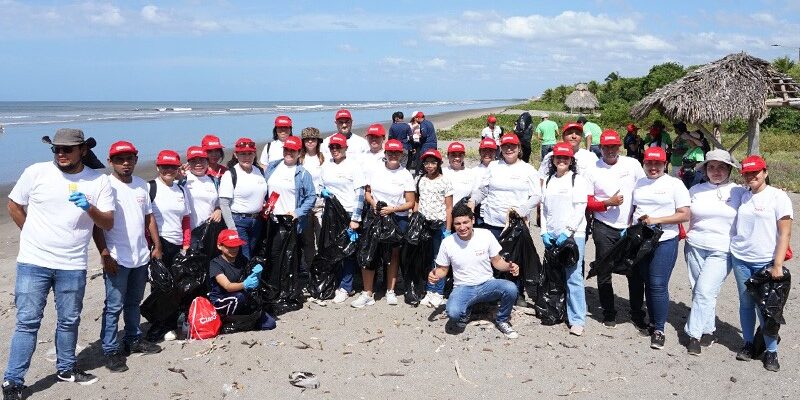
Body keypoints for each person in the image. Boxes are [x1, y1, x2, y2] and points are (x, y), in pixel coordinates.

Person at [4, 128, 114, 395]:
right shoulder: (36, 172)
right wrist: (31, 233)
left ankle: (66, 368)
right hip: (33, 261)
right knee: (28, 322)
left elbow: (107, 222)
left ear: (83, 151)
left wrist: (89, 207)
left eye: (67, 149)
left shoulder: (98, 181)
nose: (61, 154)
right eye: (56, 149)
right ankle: (13, 380)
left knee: (69, 319)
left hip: (73, 263)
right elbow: (14, 205)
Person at [92, 141, 162, 373]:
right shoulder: (105, 186)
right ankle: (110, 349)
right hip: (116, 257)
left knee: (133, 302)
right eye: (120, 159)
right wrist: (104, 254)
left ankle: (133, 338)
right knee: (113, 306)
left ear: (135, 160)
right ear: (110, 161)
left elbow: (149, 218)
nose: (125, 163)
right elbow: (97, 225)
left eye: (129, 159)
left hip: (140, 255)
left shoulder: (142, 185)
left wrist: (156, 246)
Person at [729, 155, 793, 371]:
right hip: (741, 258)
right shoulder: (743, 196)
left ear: (765, 172)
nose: (751, 176)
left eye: (755, 172)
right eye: (747, 173)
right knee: (746, 303)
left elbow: (784, 234)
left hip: (766, 261)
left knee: (767, 309)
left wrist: (777, 264)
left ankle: (771, 351)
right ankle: (748, 343)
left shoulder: (778, 196)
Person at [683, 149, 743, 356]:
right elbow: (683, 214)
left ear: (729, 169)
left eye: (721, 167)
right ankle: (709, 329)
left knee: (704, 290)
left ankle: (694, 335)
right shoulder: (695, 190)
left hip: (722, 248)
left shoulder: (738, 192)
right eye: (711, 167)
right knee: (700, 290)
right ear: (705, 169)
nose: (716, 171)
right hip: (694, 245)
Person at [429, 205, 521, 339]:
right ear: (453, 224)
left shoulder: (485, 235)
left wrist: (509, 266)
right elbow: (443, 270)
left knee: (511, 288)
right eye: (457, 224)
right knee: (453, 313)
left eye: (465, 222)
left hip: (487, 284)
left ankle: (502, 320)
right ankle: (466, 312)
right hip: (463, 287)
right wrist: (434, 275)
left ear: (472, 220)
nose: (462, 227)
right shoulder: (448, 243)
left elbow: (496, 262)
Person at [631, 146, 690, 350]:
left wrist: (657, 220)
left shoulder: (675, 184)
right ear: (644, 163)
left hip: (665, 238)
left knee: (658, 283)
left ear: (665, 164)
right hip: (641, 239)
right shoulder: (639, 182)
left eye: (658, 163)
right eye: (649, 163)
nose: (653, 167)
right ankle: (653, 320)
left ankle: (659, 329)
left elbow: (684, 214)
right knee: (647, 280)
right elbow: (633, 208)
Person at [472, 134, 541, 304]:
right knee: (493, 257)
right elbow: (483, 190)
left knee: (514, 259)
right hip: (491, 221)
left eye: (512, 146)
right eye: (505, 146)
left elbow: (537, 195)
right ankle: (493, 292)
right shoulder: (494, 166)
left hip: (515, 223)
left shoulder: (528, 169)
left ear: (519, 149)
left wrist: (522, 209)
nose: (509, 149)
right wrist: (472, 202)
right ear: (500, 149)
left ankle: (517, 292)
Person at [588, 130, 646, 328]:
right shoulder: (593, 168)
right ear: (601, 148)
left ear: (619, 146)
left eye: (614, 146)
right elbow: (587, 201)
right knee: (604, 270)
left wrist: (636, 218)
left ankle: (637, 313)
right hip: (604, 226)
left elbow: (643, 190)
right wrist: (606, 203)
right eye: (606, 147)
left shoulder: (632, 164)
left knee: (635, 271)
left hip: (630, 226)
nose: (610, 150)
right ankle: (609, 312)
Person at [352, 139, 415, 308]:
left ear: (401, 155)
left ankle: (390, 290)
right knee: (370, 252)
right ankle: (367, 293)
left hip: (397, 218)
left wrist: (392, 209)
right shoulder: (374, 170)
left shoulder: (405, 174)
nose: (393, 156)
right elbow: (367, 193)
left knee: (393, 255)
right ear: (385, 154)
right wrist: (375, 206)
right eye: (390, 152)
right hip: (376, 216)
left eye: (397, 153)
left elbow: (410, 202)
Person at [540, 143, 592, 336]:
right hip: (552, 234)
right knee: (554, 275)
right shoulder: (548, 180)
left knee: (573, 276)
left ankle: (577, 319)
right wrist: (544, 232)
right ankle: (556, 310)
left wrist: (567, 232)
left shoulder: (577, 180)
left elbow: (580, 208)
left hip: (573, 235)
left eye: (565, 158)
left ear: (571, 161)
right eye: (558, 158)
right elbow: (544, 210)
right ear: (553, 160)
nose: (561, 161)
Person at [319, 133, 367, 304]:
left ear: (346, 148)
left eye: (338, 147)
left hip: (347, 214)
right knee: (332, 250)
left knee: (348, 252)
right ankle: (335, 283)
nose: (335, 150)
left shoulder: (353, 166)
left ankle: (346, 287)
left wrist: (355, 218)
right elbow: (320, 186)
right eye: (332, 147)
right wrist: (322, 192)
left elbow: (360, 194)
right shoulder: (326, 165)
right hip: (330, 214)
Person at [264, 135, 316, 271]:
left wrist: (297, 212)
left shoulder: (303, 174)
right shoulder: (272, 167)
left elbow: (311, 197)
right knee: (273, 254)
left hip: (290, 221)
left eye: (293, 150)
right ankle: (276, 286)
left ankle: (290, 288)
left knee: (291, 256)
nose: (289, 153)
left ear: (299, 153)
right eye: (286, 149)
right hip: (270, 219)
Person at [209, 229, 276, 330]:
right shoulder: (215, 264)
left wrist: (256, 274)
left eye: (236, 245)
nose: (234, 249)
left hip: (242, 298)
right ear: (220, 246)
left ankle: (244, 321)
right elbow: (227, 286)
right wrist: (245, 284)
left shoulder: (242, 259)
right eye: (229, 246)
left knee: (269, 323)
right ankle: (224, 320)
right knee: (239, 297)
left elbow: (251, 280)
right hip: (222, 300)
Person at [415, 149, 454, 308]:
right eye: (426, 163)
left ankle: (438, 291)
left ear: (439, 164)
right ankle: (429, 290)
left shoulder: (445, 181)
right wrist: (415, 219)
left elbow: (449, 207)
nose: (429, 166)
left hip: (439, 224)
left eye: (433, 162)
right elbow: (417, 201)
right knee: (426, 257)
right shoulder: (420, 180)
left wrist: (448, 229)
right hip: (424, 224)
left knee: (440, 259)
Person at [219, 137, 268, 260]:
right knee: (244, 256)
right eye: (242, 154)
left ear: (254, 154)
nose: (247, 157)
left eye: (250, 154)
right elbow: (224, 204)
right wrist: (232, 228)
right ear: (236, 155)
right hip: (239, 222)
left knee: (253, 253)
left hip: (257, 221)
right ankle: (244, 279)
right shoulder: (230, 174)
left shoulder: (259, 171)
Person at [150, 150, 191, 266]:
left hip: (179, 244)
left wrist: (186, 244)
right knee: (162, 282)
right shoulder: (150, 187)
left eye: (173, 167)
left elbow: (186, 219)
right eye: (165, 166)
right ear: (158, 167)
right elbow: (144, 220)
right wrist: (154, 245)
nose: (169, 170)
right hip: (160, 243)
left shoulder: (181, 190)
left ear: (177, 169)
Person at [299, 127, 325, 270]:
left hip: (321, 202)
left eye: (313, 139)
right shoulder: (300, 159)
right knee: (307, 240)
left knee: (321, 238)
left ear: (318, 141)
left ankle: (322, 268)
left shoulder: (323, 157)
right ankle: (310, 269)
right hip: (304, 203)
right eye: (307, 139)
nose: (310, 141)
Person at [184, 146, 221, 229]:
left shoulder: (214, 180)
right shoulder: (183, 180)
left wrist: (218, 209)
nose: (198, 164)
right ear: (188, 163)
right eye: (193, 161)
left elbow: (218, 203)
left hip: (210, 229)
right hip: (190, 232)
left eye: (201, 160)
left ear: (207, 162)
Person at [472, 138, 497, 226]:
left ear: (495, 152)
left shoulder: (501, 169)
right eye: (484, 150)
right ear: (480, 152)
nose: (487, 153)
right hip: (478, 212)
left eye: (490, 150)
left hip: (495, 213)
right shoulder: (473, 171)